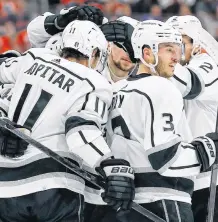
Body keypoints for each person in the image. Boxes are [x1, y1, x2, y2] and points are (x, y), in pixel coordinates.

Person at [0, 20, 135, 222]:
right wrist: (109, 165)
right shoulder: (94, 81)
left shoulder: (34, 58)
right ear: (95, 54)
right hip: (53, 187)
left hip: (5, 187)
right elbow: (80, 130)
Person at [92, 20, 218, 222]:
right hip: (164, 201)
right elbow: (165, 158)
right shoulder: (162, 87)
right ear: (147, 53)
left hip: (123, 203)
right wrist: (208, 149)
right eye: (169, 49)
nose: (176, 57)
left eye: (179, 48)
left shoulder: (114, 89)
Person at [166, 15, 218, 222]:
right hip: (187, 177)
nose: (174, 52)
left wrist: (151, 57)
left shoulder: (208, 64)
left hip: (209, 181)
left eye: (178, 43)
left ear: (196, 42)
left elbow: (190, 84)